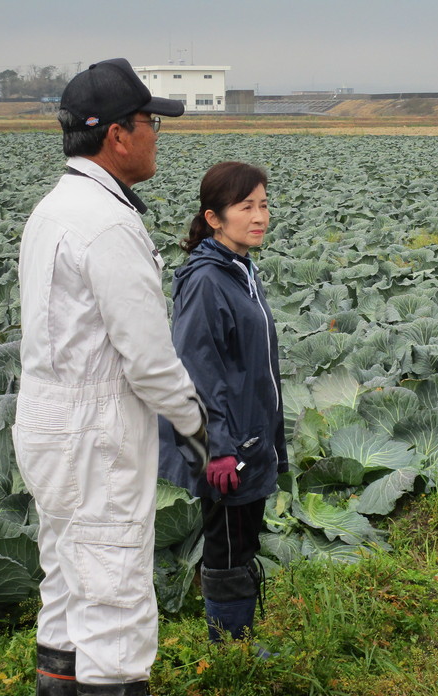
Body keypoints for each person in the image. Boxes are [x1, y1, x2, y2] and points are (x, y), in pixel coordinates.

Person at [14, 58, 209, 696]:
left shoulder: (52, 209)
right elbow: (149, 360)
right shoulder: (108, 223)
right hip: (94, 435)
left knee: (68, 579)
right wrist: (197, 423)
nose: (158, 134)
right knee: (116, 598)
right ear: (118, 136)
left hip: (45, 425)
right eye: (151, 122)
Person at [158, 161, 287, 653]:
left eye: (264, 204)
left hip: (249, 438)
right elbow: (196, 369)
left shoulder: (238, 269)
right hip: (227, 446)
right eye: (245, 207)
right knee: (228, 547)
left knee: (242, 541)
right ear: (213, 218)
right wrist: (218, 448)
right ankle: (231, 651)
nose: (259, 216)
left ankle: (240, 637)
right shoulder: (207, 281)